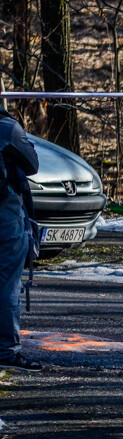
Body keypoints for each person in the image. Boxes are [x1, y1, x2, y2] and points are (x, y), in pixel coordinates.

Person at [0, 107, 42, 372]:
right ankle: (6, 350)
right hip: (6, 218)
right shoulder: (6, 128)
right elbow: (32, 164)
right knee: (7, 288)